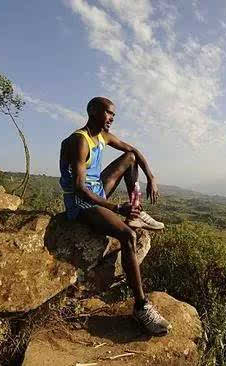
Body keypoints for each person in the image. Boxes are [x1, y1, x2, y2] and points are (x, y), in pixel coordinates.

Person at [59, 96, 171, 335]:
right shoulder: (80, 141)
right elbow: (79, 188)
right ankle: (141, 308)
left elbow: (134, 151)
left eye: (113, 115)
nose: (111, 118)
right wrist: (114, 208)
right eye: (108, 113)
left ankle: (136, 211)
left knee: (130, 159)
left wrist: (151, 177)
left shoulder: (103, 136)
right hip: (81, 202)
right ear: (93, 112)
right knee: (128, 236)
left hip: (97, 189)